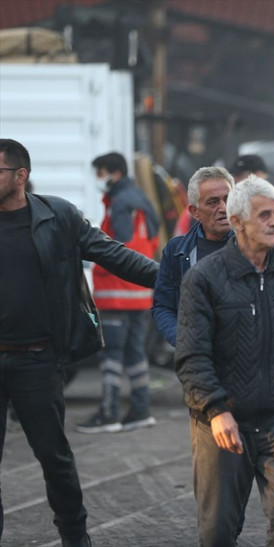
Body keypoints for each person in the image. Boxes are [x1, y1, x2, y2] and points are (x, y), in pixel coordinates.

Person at [0, 138, 157, 546]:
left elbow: (114, 254)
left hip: (37, 360)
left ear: (20, 176)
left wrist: (172, 278)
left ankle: (75, 536)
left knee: (55, 459)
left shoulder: (58, 216)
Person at [175, 175, 274, 547]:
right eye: (264, 215)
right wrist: (216, 409)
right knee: (218, 529)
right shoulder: (203, 279)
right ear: (237, 222)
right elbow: (192, 354)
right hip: (222, 423)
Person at [75, 152, 160, 433]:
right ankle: (140, 409)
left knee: (110, 354)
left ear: (115, 173)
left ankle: (109, 411)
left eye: (100, 173)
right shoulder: (142, 199)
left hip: (116, 291)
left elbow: (117, 250)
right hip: (140, 293)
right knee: (136, 353)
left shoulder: (120, 204)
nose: (99, 179)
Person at [151, 166, 234, 347]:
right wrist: (183, 341)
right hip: (198, 362)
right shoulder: (177, 251)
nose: (223, 208)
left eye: (228, 199)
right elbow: (163, 307)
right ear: (195, 212)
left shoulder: (254, 247)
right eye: (213, 202)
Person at [230, 154, 274, 258]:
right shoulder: (239, 200)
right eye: (235, 176)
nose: (236, 180)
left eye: (241, 175)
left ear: (259, 175)